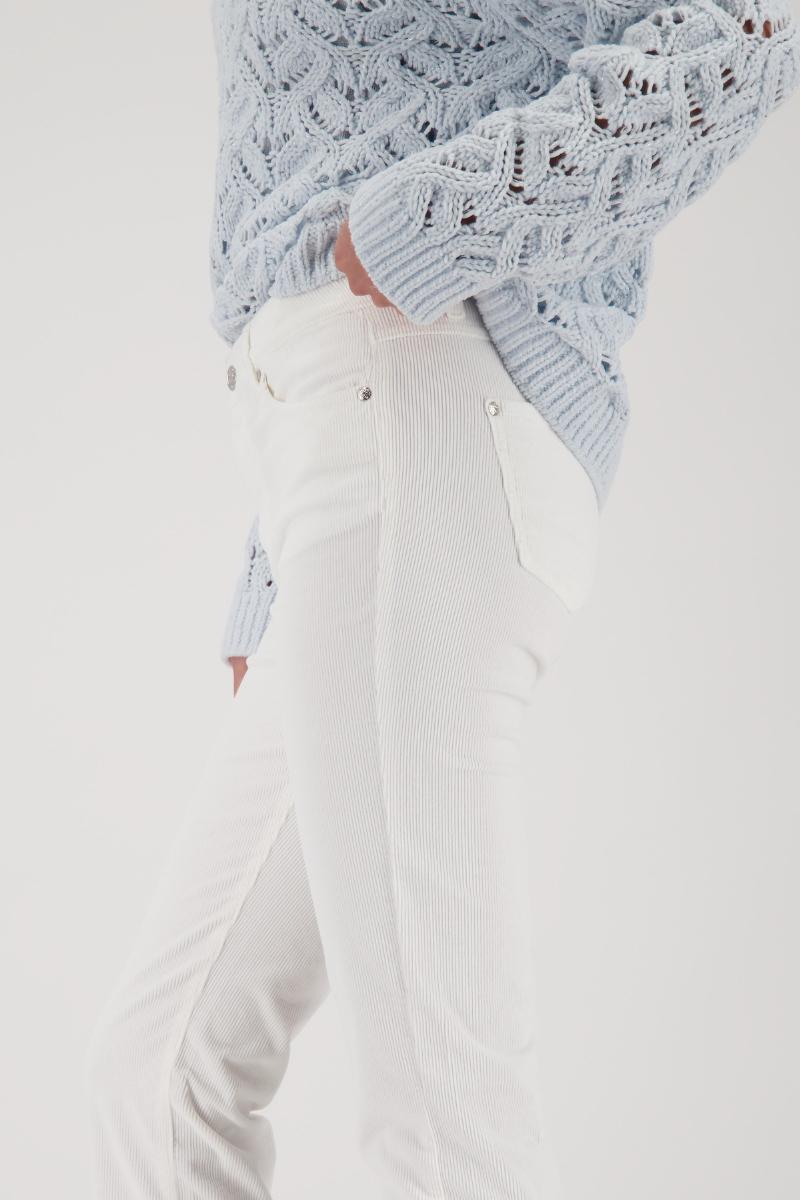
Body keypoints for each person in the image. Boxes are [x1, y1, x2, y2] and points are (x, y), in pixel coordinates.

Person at [84, 2, 799, 1197]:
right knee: (160, 1073)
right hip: (328, 460)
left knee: (440, 1124)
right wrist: (272, 566)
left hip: (418, 415)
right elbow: (294, 169)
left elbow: (747, 28)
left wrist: (439, 215)